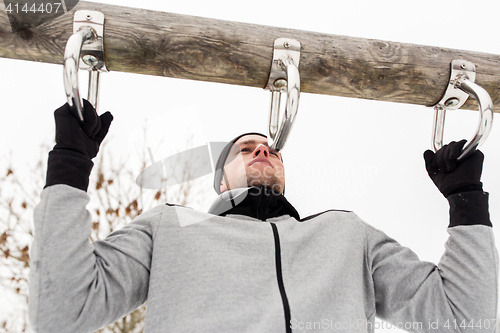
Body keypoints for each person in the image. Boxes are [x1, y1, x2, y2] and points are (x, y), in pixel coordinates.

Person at [29, 101, 497, 333]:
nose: (261, 150)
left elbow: (466, 317)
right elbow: (63, 309)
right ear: (220, 180)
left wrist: (466, 198)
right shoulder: (169, 228)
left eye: (268, 147)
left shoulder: (345, 236)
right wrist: (70, 162)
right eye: (244, 149)